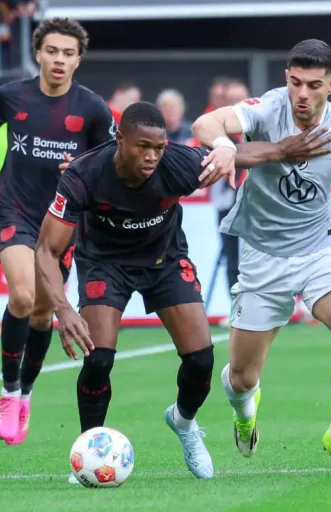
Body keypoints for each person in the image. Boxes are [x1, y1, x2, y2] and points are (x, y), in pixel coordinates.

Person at [192, 39, 331, 477]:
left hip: (320, 249)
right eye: (294, 83)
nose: (301, 94)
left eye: (313, 85)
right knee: (242, 378)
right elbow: (206, 122)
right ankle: (245, 412)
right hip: (262, 257)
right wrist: (226, 146)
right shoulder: (267, 109)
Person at [35, 102, 236, 483]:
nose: (152, 156)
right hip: (104, 264)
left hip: (165, 259)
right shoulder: (83, 175)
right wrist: (63, 309)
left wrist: (231, 149)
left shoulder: (181, 163)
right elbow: (46, 250)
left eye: (158, 148)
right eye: (143, 146)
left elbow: (259, 155)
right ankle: (87, 452)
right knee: (98, 360)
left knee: (201, 361)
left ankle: (184, 421)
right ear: (120, 139)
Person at [0, 17, 115, 446]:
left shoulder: (93, 109)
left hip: (62, 220)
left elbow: (110, 163)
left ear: (78, 60)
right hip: (13, 208)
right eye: (52, 51)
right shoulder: (11, 97)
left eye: (68, 54)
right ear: (39, 53)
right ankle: (9, 391)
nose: (59, 60)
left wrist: (84, 171)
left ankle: (26, 392)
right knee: (24, 295)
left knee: (42, 313)